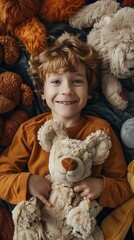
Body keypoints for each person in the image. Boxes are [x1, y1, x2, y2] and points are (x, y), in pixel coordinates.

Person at [0, 33, 133, 232]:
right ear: (42, 93)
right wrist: (26, 182)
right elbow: (2, 175)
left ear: (89, 90)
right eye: (56, 82)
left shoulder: (101, 131)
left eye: (77, 81)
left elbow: (125, 185)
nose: (67, 90)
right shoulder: (30, 131)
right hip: (37, 228)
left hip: (81, 228)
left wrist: (101, 187)